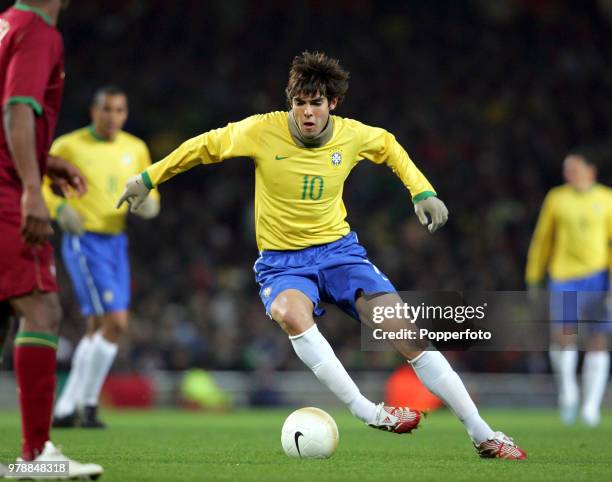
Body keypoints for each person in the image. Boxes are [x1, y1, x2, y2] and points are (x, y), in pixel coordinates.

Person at [118, 51, 526, 459]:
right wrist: (148, 177)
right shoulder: (262, 130)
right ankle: (368, 412)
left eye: (316, 103)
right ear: (289, 101)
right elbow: (203, 146)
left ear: (333, 104)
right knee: (290, 313)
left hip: (340, 255)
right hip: (282, 262)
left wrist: (422, 191)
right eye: (300, 102)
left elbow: (388, 145)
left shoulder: (351, 135)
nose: (307, 112)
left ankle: (483, 434)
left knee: (409, 334)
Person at [0, 0, 102, 478]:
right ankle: (36, 454)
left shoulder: (6, 25)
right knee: (41, 308)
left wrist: (43, 160)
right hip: (5, 192)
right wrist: (29, 188)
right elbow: (17, 108)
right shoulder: (39, 31)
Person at [43, 86, 160, 428]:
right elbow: (39, 184)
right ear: (94, 111)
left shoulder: (135, 147)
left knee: (98, 327)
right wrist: (60, 208)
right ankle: (84, 404)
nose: (113, 117)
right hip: (85, 240)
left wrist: (151, 204)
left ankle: (70, 409)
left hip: (116, 242)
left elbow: (150, 189)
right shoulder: (68, 146)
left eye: (120, 110)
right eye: (107, 109)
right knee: (116, 322)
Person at [526, 153, 611, 426]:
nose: (569, 175)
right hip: (564, 276)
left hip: (597, 277)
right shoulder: (557, 198)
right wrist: (534, 275)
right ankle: (568, 394)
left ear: (590, 170)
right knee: (564, 336)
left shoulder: (606, 198)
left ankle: (591, 407)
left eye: (574, 169)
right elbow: (542, 238)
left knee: (598, 340)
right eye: (566, 170)